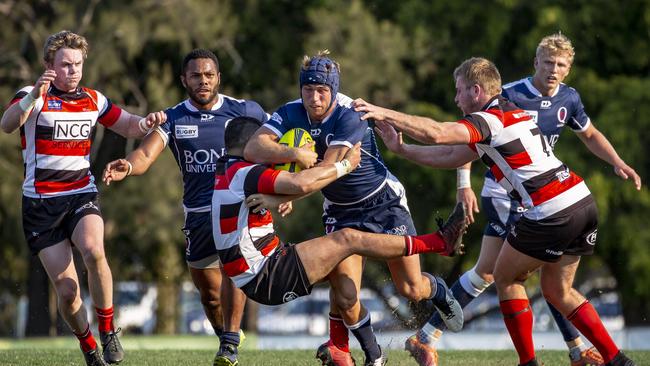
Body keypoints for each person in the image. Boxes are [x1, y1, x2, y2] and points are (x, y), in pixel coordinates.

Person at [353, 57, 636, 366]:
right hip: (581, 201)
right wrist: (403, 150)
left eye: (459, 91)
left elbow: (437, 133)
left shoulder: (492, 118)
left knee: (505, 277)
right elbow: (450, 154)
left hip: (551, 208)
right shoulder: (510, 114)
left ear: (476, 91)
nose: (456, 98)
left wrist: (382, 112)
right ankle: (617, 359)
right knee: (558, 291)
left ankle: (528, 362)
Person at [243, 50, 465, 366]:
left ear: (334, 91)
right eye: (308, 90)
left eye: (322, 91)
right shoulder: (291, 112)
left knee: (411, 288)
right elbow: (254, 147)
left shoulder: (351, 114)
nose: (315, 98)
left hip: (383, 204)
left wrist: (281, 196)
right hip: (340, 211)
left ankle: (439, 290)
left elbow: (327, 170)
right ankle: (374, 355)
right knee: (346, 296)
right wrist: (292, 152)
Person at [0, 30, 161, 366]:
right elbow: (7, 124)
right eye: (65, 64)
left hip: (79, 194)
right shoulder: (32, 96)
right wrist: (33, 97)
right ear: (49, 65)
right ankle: (89, 347)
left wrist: (148, 122)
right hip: (41, 206)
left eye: (78, 64)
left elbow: (129, 125)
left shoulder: (93, 99)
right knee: (69, 294)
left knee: (94, 249)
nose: (73, 71)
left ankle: (107, 330)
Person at [102, 49, 268, 366]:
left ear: (218, 77)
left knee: (236, 272)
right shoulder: (173, 118)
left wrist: (283, 186)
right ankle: (226, 335)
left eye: (209, 75)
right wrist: (128, 165)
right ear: (184, 80)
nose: (203, 81)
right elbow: (146, 155)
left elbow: (276, 142)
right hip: (198, 215)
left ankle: (230, 343)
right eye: (196, 76)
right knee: (208, 292)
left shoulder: (246, 111)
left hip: (239, 208)